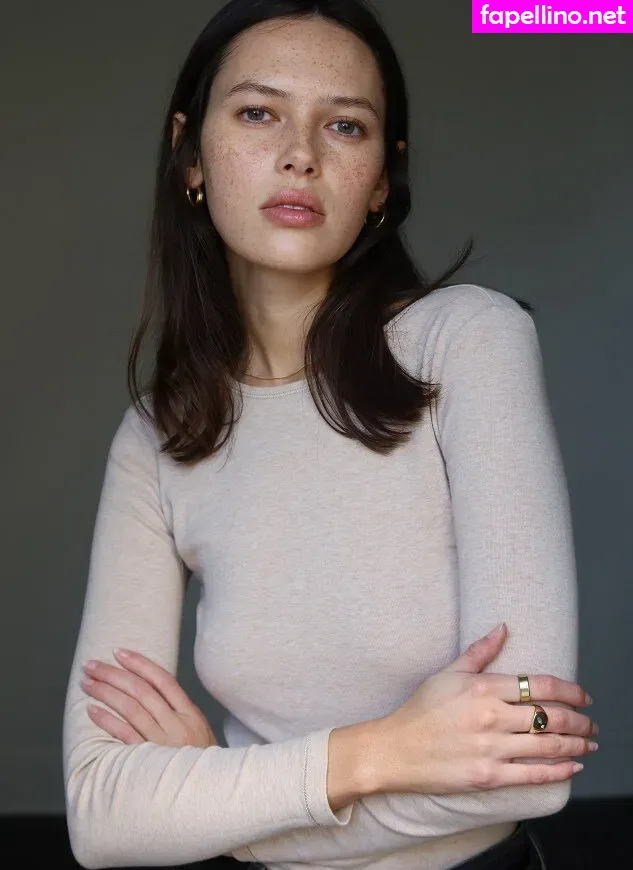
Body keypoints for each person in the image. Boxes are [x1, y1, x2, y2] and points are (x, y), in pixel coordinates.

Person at [62, 1, 598, 869]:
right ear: (190, 154)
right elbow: (101, 815)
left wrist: (218, 805)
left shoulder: (466, 340)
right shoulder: (156, 438)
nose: (299, 155)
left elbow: (526, 762)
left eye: (345, 126)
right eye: (257, 113)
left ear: (380, 179)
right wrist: (381, 751)